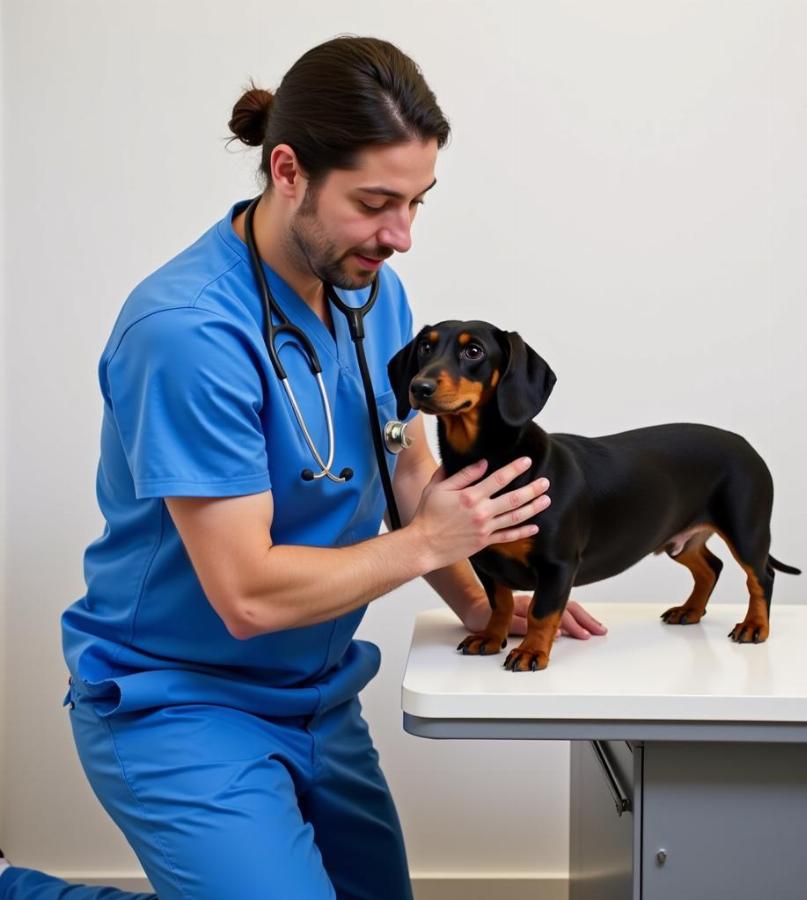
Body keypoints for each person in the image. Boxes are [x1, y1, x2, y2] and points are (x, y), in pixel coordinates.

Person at [0, 36, 605, 900]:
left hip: (317, 693)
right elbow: (247, 596)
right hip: (179, 702)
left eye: (417, 203)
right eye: (375, 203)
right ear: (288, 170)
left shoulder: (371, 289)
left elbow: (405, 465)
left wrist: (481, 600)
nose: (400, 236)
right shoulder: (188, 334)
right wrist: (435, 542)